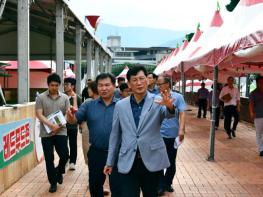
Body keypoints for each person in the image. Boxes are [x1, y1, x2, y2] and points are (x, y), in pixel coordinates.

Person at [104, 66, 176, 197]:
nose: (139, 83)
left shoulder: (158, 101)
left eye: (142, 78)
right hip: (128, 161)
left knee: (151, 194)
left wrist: (170, 106)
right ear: (129, 84)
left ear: (147, 81)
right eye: (135, 80)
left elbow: (168, 114)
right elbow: (115, 135)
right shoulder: (121, 105)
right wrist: (110, 161)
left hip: (151, 159)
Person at [67, 73, 121, 197]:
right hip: (97, 152)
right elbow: (74, 120)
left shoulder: (122, 105)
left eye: (107, 85)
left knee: (118, 187)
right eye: (100, 85)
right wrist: (70, 117)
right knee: (95, 186)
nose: (104, 88)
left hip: (118, 153)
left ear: (114, 86)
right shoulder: (89, 105)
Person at [35, 73, 70, 193]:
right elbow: (39, 114)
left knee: (65, 155)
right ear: (48, 85)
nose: (54, 87)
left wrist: (60, 125)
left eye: (56, 85)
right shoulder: (41, 98)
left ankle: (59, 171)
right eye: (52, 85)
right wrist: (51, 126)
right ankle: (53, 183)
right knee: (49, 159)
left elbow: (67, 113)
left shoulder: (65, 98)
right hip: (46, 133)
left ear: (59, 85)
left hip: (61, 131)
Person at [156, 76, 186, 196]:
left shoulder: (178, 97)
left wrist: (181, 130)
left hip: (172, 134)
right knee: (158, 161)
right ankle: (160, 185)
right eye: (157, 84)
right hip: (158, 134)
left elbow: (182, 113)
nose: (158, 86)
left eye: (160, 84)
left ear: (168, 84)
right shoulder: (155, 98)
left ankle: (167, 183)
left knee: (171, 161)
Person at [64, 77, 82, 170]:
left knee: (73, 143)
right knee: (63, 144)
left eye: (67, 84)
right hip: (62, 126)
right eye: (65, 84)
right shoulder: (62, 96)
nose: (65, 86)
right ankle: (66, 158)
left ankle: (72, 162)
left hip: (73, 125)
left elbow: (80, 112)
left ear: (73, 86)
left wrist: (80, 125)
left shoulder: (77, 98)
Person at [249, 76, 263, 156]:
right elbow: (251, 104)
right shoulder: (253, 93)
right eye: (260, 82)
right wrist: (251, 113)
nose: (262, 84)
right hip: (258, 115)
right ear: (257, 83)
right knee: (259, 133)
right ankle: (261, 149)